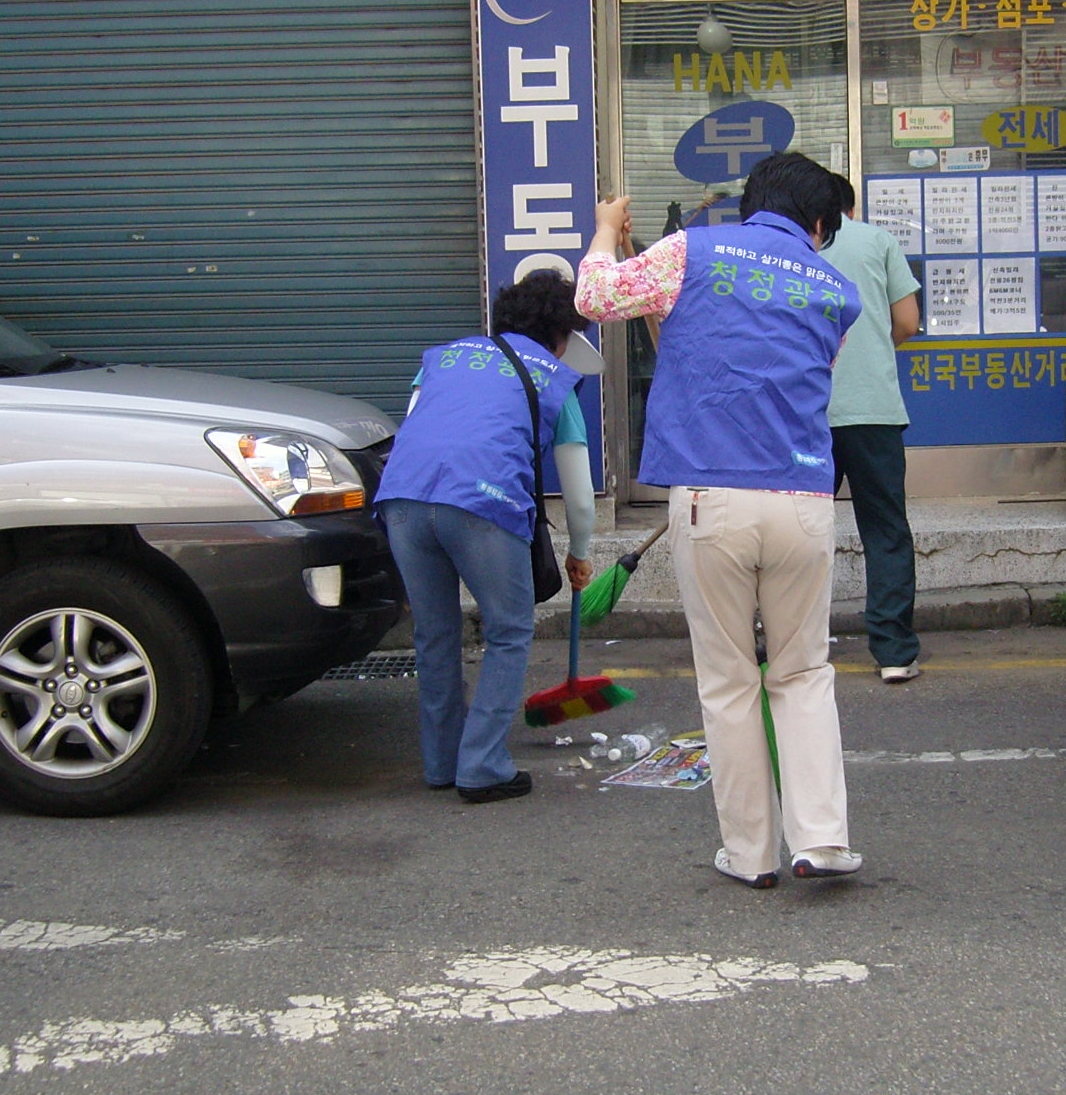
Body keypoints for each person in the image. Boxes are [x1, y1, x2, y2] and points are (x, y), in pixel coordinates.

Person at [577, 151, 866, 890]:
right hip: (802, 501)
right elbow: (800, 377)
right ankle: (823, 842)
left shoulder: (691, 251)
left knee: (731, 682)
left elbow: (597, 296)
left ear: (751, 203)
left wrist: (608, 230)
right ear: (820, 222)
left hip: (711, 502)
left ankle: (751, 855)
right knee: (803, 672)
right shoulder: (837, 290)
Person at [375, 271, 598, 804]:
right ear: (561, 336)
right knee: (508, 630)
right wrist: (580, 552)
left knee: (434, 635)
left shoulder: (444, 359)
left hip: (402, 499)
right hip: (481, 504)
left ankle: (442, 763)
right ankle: (482, 767)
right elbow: (583, 498)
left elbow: (416, 428)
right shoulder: (552, 374)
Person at [824, 173, 924, 683]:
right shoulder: (878, 241)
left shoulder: (792, 248)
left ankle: (796, 642)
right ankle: (893, 651)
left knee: (801, 532)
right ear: (851, 206)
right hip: (874, 411)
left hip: (806, 414)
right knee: (885, 530)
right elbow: (906, 322)